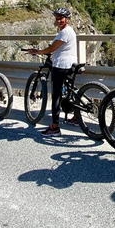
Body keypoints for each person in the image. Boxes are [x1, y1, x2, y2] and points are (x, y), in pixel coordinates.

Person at [27, 7, 77, 136]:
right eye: (57, 18)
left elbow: (51, 49)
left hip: (61, 65)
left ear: (67, 19)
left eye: (61, 18)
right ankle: (76, 117)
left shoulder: (64, 32)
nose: (59, 20)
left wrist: (36, 51)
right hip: (70, 64)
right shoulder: (69, 31)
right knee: (70, 90)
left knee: (56, 95)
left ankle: (55, 127)